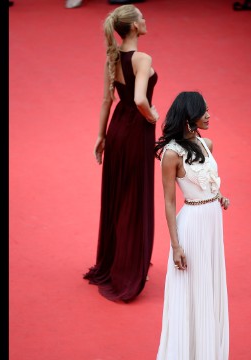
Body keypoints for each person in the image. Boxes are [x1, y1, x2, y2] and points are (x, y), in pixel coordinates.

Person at [83, 5, 159, 303]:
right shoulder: (143, 59)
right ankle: (130, 267)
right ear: (133, 27)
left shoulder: (112, 59)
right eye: (141, 17)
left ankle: (119, 261)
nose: (145, 19)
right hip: (136, 133)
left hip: (116, 130)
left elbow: (106, 100)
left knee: (119, 196)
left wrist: (101, 136)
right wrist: (152, 115)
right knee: (134, 198)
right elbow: (140, 98)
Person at [154, 92, 230, 359]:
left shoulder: (206, 143)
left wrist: (219, 195)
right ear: (189, 118)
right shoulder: (171, 154)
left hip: (212, 226)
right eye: (204, 111)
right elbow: (169, 202)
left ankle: (208, 351)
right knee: (193, 292)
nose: (209, 115)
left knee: (209, 287)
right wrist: (176, 246)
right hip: (192, 228)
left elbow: (207, 180)